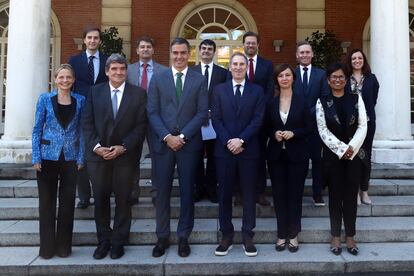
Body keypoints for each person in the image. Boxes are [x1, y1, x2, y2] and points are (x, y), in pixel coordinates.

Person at [147, 37, 208, 258]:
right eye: (175, 53)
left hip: (188, 144)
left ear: (189, 54)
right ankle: (162, 236)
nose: (179, 57)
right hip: (163, 146)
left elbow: (202, 112)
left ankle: (184, 236)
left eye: (183, 53)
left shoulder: (199, 80)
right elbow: (152, 111)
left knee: (186, 193)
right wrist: (166, 136)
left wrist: (181, 136)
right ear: (170, 54)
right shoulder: (158, 78)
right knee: (162, 192)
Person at [82, 54, 147, 260]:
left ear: (126, 71)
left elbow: (141, 126)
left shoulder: (138, 94)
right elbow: (87, 124)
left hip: (125, 157)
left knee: (123, 201)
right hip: (98, 157)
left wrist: (124, 147)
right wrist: (97, 147)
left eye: (122, 69)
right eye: (114, 69)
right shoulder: (94, 92)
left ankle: (118, 242)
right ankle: (103, 241)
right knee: (100, 200)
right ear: (107, 71)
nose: (118, 72)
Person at [212, 52, 266, 257]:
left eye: (241, 64)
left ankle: (247, 235)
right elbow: (216, 119)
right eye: (234, 64)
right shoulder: (218, 90)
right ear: (230, 66)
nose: (237, 67)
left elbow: (258, 119)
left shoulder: (257, 91)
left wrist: (241, 140)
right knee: (225, 194)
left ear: (246, 67)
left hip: (248, 150)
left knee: (249, 194)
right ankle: (226, 235)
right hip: (224, 151)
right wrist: (229, 141)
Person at [32, 64, 85, 259]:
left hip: (70, 158)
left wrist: (81, 157)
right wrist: (36, 157)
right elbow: (37, 128)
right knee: (46, 204)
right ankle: (46, 248)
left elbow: (82, 131)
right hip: (47, 157)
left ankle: (64, 247)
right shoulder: (45, 99)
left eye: (68, 77)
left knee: (67, 204)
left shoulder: (81, 100)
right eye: (61, 77)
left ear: (73, 80)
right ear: (55, 79)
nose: (65, 80)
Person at [316, 63, 367, 256]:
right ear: (328, 80)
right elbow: (322, 130)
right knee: (335, 198)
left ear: (346, 80)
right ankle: (335, 236)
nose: (337, 80)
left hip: (353, 157)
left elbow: (363, 125)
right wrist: (341, 149)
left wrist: (351, 148)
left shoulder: (356, 98)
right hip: (333, 157)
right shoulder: (322, 101)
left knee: (350, 199)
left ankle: (351, 237)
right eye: (333, 77)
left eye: (341, 77)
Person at [265, 64, 312, 253]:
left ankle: (293, 234)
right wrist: (273, 133)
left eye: (287, 75)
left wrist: (294, 133)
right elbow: (265, 127)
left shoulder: (302, 101)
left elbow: (309, 128)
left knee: (295, 196)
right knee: (279, 196)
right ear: (276, 80)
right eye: (280, 76)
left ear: (293, 78)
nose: (284, 78)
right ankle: (281, 233)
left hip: (297, 156)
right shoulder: (270, 103)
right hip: (276, 156)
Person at [69, 26, 109, 209]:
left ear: (100, 41)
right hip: (80, 112)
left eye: (96, 38)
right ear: (84, 40)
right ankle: (84, 197)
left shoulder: (108, 61)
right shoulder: (74, 61)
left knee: (102, 151)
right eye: (89, 38)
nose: (92, 41)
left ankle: (103, 194)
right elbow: (69, 85)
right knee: (82, 155)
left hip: (103, 112)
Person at [127, 36, 167, 205]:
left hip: (156, 119)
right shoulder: (127, 70)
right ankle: (132, 193)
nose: (145, 49)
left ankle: (157, 193)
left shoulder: (164, 71)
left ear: (153, 50)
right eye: (142, 47)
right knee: (131, 157)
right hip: (133, 120)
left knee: (158, 156)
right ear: (137, 50)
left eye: (148, 47)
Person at [191, 39, 228, 203]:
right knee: (196, 156)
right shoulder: (191, 71)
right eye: (204, 48)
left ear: (214, 52)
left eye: (210, 49)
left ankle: (212, 189)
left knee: (214, 156)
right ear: (199, 51)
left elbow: (225, 95)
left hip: (215, 122)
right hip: (195, 122)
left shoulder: (223, 73)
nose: (206, 51)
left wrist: (214, 112)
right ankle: (199, 189)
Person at [294, 41, 329, 207]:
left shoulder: (321, 74)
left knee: (317, 160)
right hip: (296, 126)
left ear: (312, 54)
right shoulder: (291, 74)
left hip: (315, 126)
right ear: (297, 55)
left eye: (307, 52)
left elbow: (324, 97)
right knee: (298, 161)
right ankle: (297, 193)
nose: (305, 55)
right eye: (301, 52)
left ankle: (317, 194)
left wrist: (310, 114)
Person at [242, 31, 274, 206]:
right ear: (243, 45)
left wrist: (260, 113)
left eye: (253, 43)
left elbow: (270, 90)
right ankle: (239, 193)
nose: (250, 46)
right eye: (247, 43)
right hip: (239, 121)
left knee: (260, 157)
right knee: (239, 155)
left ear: (258, 45)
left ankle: (260, 192)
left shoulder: (267, 65)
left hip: (260, 120)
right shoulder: (237, 64)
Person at [345, 48, 380, 205]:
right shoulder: (345, 78)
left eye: (359, 58)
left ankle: (364, 191)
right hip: (349, 125)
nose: (357, 61)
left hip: (367, 123)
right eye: (354, 58)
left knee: (366, 158)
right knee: (351, 157)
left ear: (364, 60)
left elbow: (374, 99)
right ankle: (353, 192)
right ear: (350, 61)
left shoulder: (371, 79)